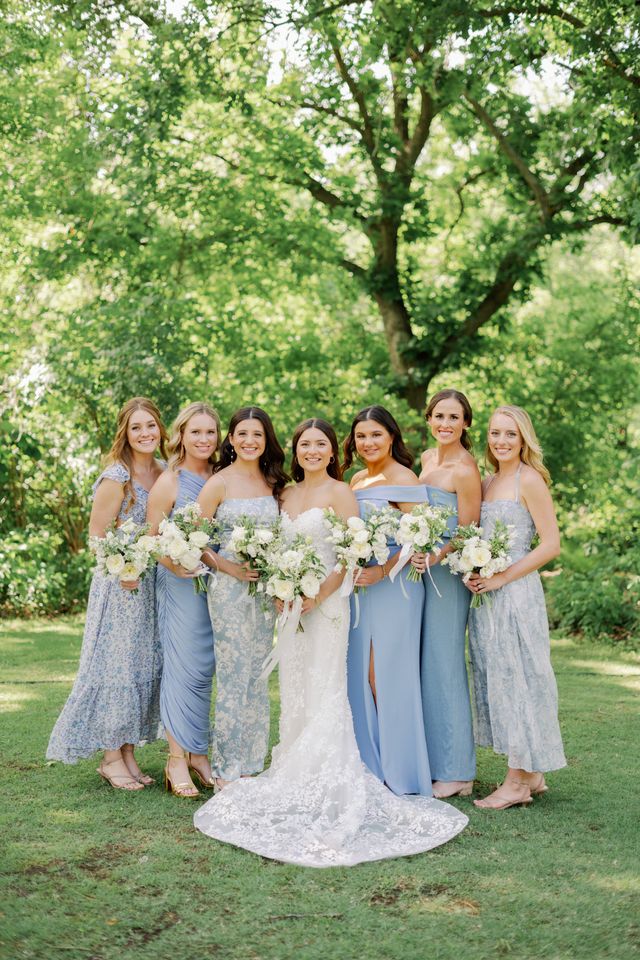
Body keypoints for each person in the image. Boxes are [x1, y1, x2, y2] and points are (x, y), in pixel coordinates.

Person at [193, 419, 468, 867]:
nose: (313, 451)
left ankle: (331, 773)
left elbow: (353, 552)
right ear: (295, 451)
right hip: (292, 605)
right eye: (305, 445)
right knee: (297, 684)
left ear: (330, 452)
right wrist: (286, 590)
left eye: (320, 444)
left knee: (326, 684)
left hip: (330, 605)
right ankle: (296, 769)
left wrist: (318, 593)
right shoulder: (284, 494)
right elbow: (275, 551)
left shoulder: (342, 492)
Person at [47, 397, 167, 789]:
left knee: (141, 666)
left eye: (150, 425)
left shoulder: (165, 472)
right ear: (125, 433)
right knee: (116, 668)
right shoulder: (117, 476)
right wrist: (123, 570)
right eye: (136, 427)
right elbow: (97, 536)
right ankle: (110, 756)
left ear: (160, 428)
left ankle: (128, 751)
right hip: (121, 587)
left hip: (153, 585)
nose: (145, 433)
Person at [467, 405, 566, 809]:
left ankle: (515, 783)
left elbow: (550, 544)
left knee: (519, 677)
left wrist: (503, 576)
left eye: (510, 434)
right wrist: (471, 569)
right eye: (495, 433)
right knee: (497, 677)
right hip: (486, 597)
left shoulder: (530, 480)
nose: (501, 441)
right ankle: (532, 772)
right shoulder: (488, 481)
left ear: (524, 438)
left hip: (516, 593)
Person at [343, 405, 432, 795]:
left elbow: (419, 534)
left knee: (387, 676)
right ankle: (370, 764)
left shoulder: (404, 478)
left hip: (396, 587)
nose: (368, 442)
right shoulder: (357, 479)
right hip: (361, 590)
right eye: (361, 436)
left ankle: (402, 770)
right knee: (361, 675)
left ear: (392, 436)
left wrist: (384, 569)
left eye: (376, 434)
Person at [198, 406, 288, 790]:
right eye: (242, 434)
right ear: (231, 440)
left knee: (258, 674)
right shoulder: (218, 483)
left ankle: (252, 762)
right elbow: (196, 540)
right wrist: (228, 567)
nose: (250, 441)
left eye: (258, 435)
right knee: (234, 674)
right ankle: (225, 766)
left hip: (266, 591)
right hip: (229, 590)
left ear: (266, 441)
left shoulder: (274, 483)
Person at [147, 402, 220, 798]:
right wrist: (174, 566)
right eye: (196, 432)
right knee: (182, 664)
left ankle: (197, 752)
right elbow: (152, 534)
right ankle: (176, 759)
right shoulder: (170, 480)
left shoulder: (221, 476)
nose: (204, 439)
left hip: (213, 583)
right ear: (181, 435)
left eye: (210, 432)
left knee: (205, 665)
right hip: (178, 581)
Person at [412, 389, 481, 799]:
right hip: (422, 572)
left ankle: (458, 770)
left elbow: (468, 529)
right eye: (439, 415)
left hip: (448, 576)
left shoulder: (465, 468)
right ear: (429, 418)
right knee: (425, 663)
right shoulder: (425, 459)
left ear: (465, 423)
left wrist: (436, 555)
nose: (445, 424)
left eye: (454, 417)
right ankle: (434, 760)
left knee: (444, 662)